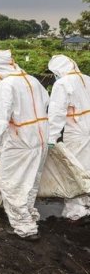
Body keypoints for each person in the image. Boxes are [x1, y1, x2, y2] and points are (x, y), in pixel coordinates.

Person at [0, 50, 49, 240]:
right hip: (40, 138)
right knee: (31, 182)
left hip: (20, 140)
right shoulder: (32, 80)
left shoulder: (8, 84)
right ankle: (30, 216)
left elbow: (0, 119)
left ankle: (25, 228)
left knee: (11, 184)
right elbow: (46, 101)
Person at [47, 54, 90, 221]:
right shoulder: (86, 78)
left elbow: (57, 113)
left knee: (74, 170)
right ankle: (87, 205)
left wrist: (51, 138)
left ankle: (76, 212)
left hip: (77, 131)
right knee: (88, 168)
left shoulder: (63, 83)